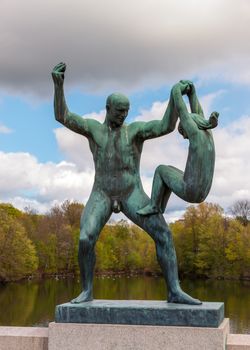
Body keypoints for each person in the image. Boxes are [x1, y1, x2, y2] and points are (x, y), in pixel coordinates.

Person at [52, 63, 201, 305]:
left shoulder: (134, 131)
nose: (123, 115)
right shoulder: (93, 129)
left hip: (131, 193)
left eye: (127, 111)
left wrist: (175, 97)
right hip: (102, 193)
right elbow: (63, 116)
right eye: (119, 111)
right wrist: (58, 86)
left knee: (163, 235)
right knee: (84, 239)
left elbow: (165, 126)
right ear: (108, 109)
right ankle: (87, 291)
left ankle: (174, 290)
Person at [137, 80, 219, 216]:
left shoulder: (195, 135)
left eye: (183, 132)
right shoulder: (208, 134)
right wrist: (192, 93)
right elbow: (198, 113)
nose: (185, 137)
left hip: (191, 191)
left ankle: (154, 205)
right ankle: (160, 207)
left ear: (188, 127)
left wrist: (176, 90)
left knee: (160, 170)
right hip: (203, 192)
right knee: (170, 170)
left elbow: (182, 111)